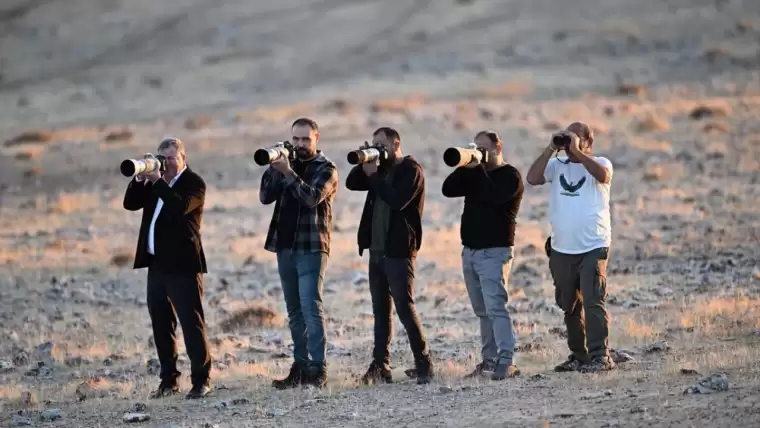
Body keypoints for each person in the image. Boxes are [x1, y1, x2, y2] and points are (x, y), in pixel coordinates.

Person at [122, 138, 212, 399]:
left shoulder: (194, 183)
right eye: (163, 158)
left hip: (183, 265)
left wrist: (158, 181)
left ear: (183, 158)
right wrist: (141, 179)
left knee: (191, 324)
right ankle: (169, 380)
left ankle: (201, 380)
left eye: (172, 158)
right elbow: (130, 204)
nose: (167, 163)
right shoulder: (154, 183)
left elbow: (179, 207)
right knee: (161, 325)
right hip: (157, 265)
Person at [345, 127, 434, 385]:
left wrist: (374, 176)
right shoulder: (379, 169)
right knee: (380, 311)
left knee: (405, 308)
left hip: (399, 251)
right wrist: (365, 159)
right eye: (375, 144)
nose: (378, 149)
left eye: (381, 145)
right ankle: (381, 365)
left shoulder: (411, 170)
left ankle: (424, 363)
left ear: (396, 144)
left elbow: (398, 201)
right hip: (377, 251)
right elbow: (352, 183)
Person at [525, 121, 616, 373]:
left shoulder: (601, 163)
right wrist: (550, 148)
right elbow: (532, 178)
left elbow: (603, 176)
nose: (569, 143)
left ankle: (601, 356)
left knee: (593, 301)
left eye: (576, 138)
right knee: (570, 305)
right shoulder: (556, 165)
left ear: (589, 141)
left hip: (593, 246)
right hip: (562, 248)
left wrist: (577, 152)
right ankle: (579, 355)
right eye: (567, 138)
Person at [259, 117, 339, 389]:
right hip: (285, 246)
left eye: (306, 139)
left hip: (312, 248)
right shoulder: (285, 164)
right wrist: (274, 169)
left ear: (317, 139)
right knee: (294, 312)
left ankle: (318, 369)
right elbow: (265, 197)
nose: (300, 144)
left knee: (311, 309)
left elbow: (312, 198)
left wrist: (290, 173)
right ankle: (300, 366)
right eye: (296, 139)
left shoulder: (326, 168)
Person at [441, 130, 524, 380]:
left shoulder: (511, 176)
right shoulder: (474, 173)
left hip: (494, 252)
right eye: (476, 147)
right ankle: (488, 361)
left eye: (483, 148)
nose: (480, 152)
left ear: (498, 148)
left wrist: (477, 168)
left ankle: (506, 360)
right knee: (482, 311)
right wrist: (466, 163)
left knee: (496, 307)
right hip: (470, 251)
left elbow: (492, 197)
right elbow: (447, 189)